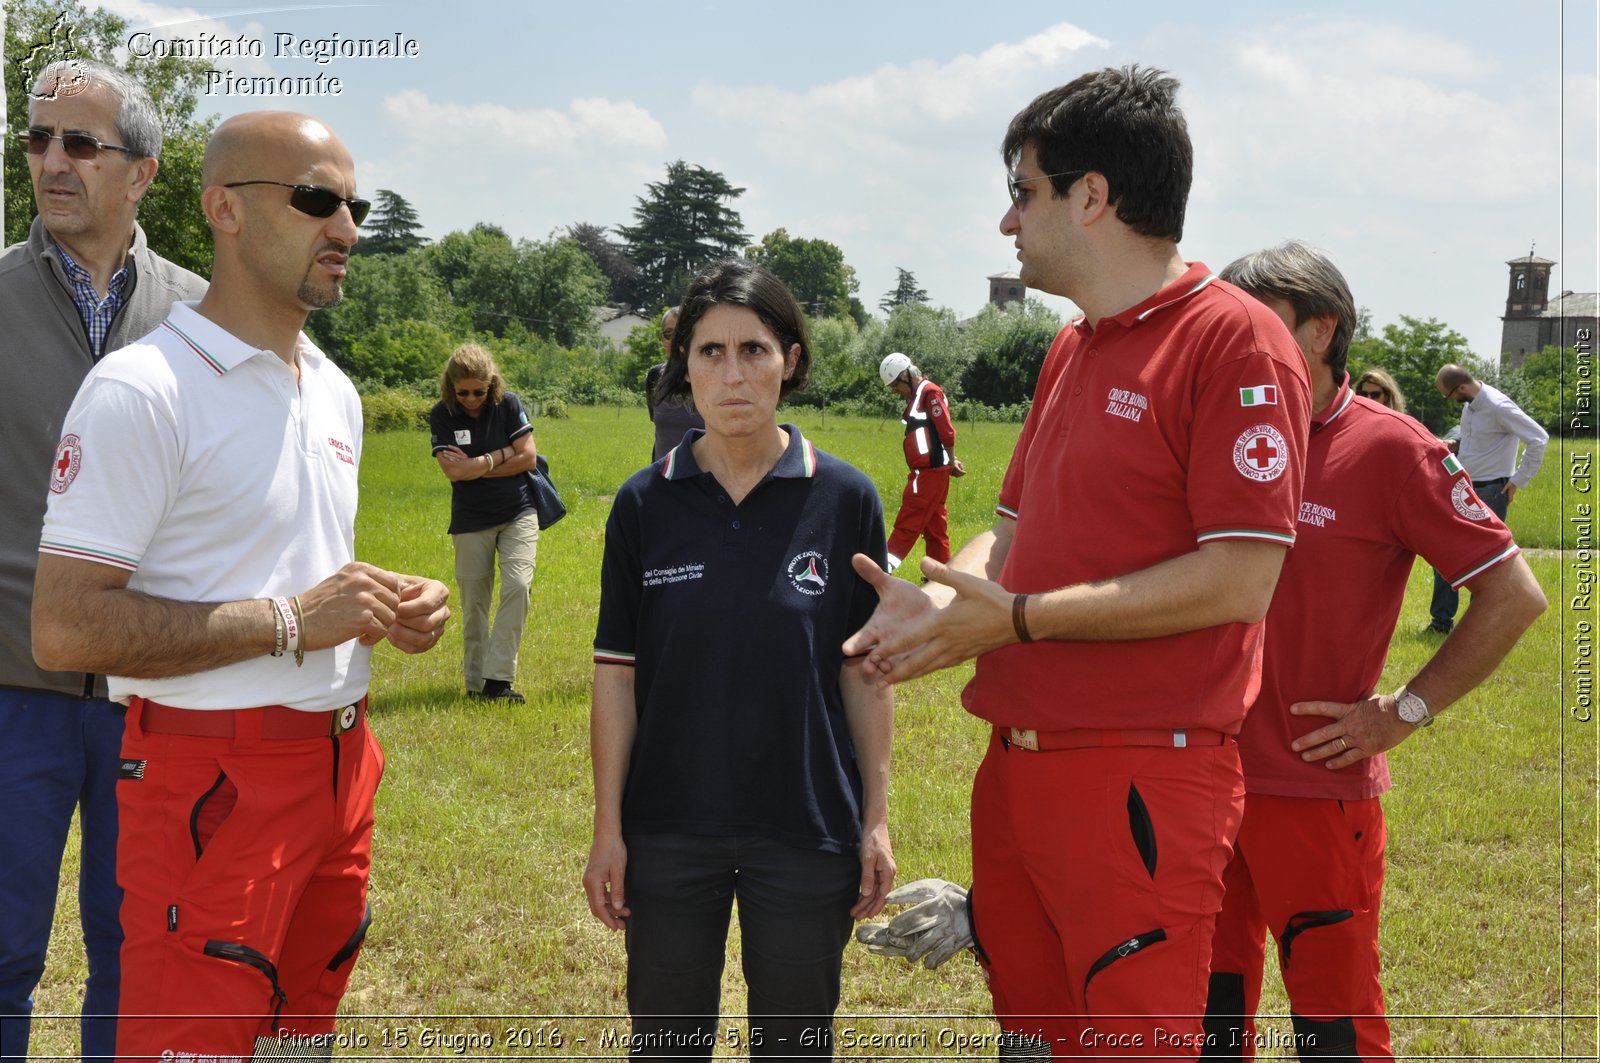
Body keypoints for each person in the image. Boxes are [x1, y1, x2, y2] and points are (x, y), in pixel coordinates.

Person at [843, 66, 1312, 1058]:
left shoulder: (1233, 340)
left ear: (1089, 195)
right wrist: (930, 600)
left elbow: (1241, 576)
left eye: (1024, 191)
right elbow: (1007, 531)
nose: (1007, 222)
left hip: (1140, 772)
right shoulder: (1073, 346)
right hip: (1018, 772)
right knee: (1036, 1038)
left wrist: (1015, 620)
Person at [30, 110, 451, 1061]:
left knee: (298, 1035)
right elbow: (64, 628)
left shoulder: (331, 387)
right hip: (210, 783)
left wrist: (378, 605)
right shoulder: (144, 389)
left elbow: (288, 575)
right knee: (196, 1037)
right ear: (222, 209)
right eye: (315, 200)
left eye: (355, 205)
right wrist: (293, 620)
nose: (344, 227)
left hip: (341, 767)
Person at [1199, 243, 1546, 1060]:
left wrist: (1404, 710)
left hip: (1314, 788)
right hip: (1202, 777)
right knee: (1205, 1018)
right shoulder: (1216, 431)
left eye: (1256, 320)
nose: (1232, 336)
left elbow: (1515, 593)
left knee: (1334, 1027)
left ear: (1321, 332)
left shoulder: (1391, 448)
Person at [583, 259, 895, 1059]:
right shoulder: (643, 503)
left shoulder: (847, 498)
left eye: (753, 350)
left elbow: (864, 671)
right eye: (710, 351)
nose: (733, 374)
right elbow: (616, 673)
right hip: (668, 827)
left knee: (793, 1046)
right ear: (682, 364)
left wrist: (877, 818)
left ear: (789, 359)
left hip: (805, 826)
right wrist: (608, 826)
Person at [0, 58, 206, 1059]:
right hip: (8, 692)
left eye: (79, 142)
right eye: (38, 139)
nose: (51, 159)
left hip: (156, 702)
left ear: (145, 171)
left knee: (143, 956)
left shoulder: (213, 322)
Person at [430, 343, 540, 702]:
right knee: (474, 604)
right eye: (463, 392)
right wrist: (502, 454)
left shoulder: (508, 404)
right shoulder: (442, 414)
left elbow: (528, 458)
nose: (472, 398)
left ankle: (499, 680)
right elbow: (453, 472)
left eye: (479, 390)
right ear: (451, 386)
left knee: (518, 586)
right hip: (470, 519)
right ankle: (477, 686)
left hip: (518, 511)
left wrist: (479, 464)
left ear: (491, 383)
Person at [1427, 363, 1548, 633]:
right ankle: (1440, 623)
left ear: (1461, 388)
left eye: (1449, 396)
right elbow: (1476, 438)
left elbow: (1539, 438)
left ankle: (1477, 627)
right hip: (1465, 487)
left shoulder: (1498, 405)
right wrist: (1456, 443)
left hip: (1492, 492)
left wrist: (1518, 480)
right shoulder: (1470, 403)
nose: (1449, 401)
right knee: (1445, 552)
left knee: (1483, 563)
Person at [878, 352, 964, 572]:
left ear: (906, 376)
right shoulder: (919, 395)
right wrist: (949, 460)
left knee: (908, 523)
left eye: (896, 385)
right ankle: (940, 579)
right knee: (935, 528)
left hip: (928, 475)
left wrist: (951, 460)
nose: (895, 391)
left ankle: (879, 574)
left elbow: (946, 432)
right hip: (931, 472)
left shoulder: (930, 393)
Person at [644, 306, 705, 461]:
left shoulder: (713, 378)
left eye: (682, 333)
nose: (676, 341)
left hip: (704, 481)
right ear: (662, 337)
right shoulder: (655, 376)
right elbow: (660, 434)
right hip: (662, 479)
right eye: (669, 334)